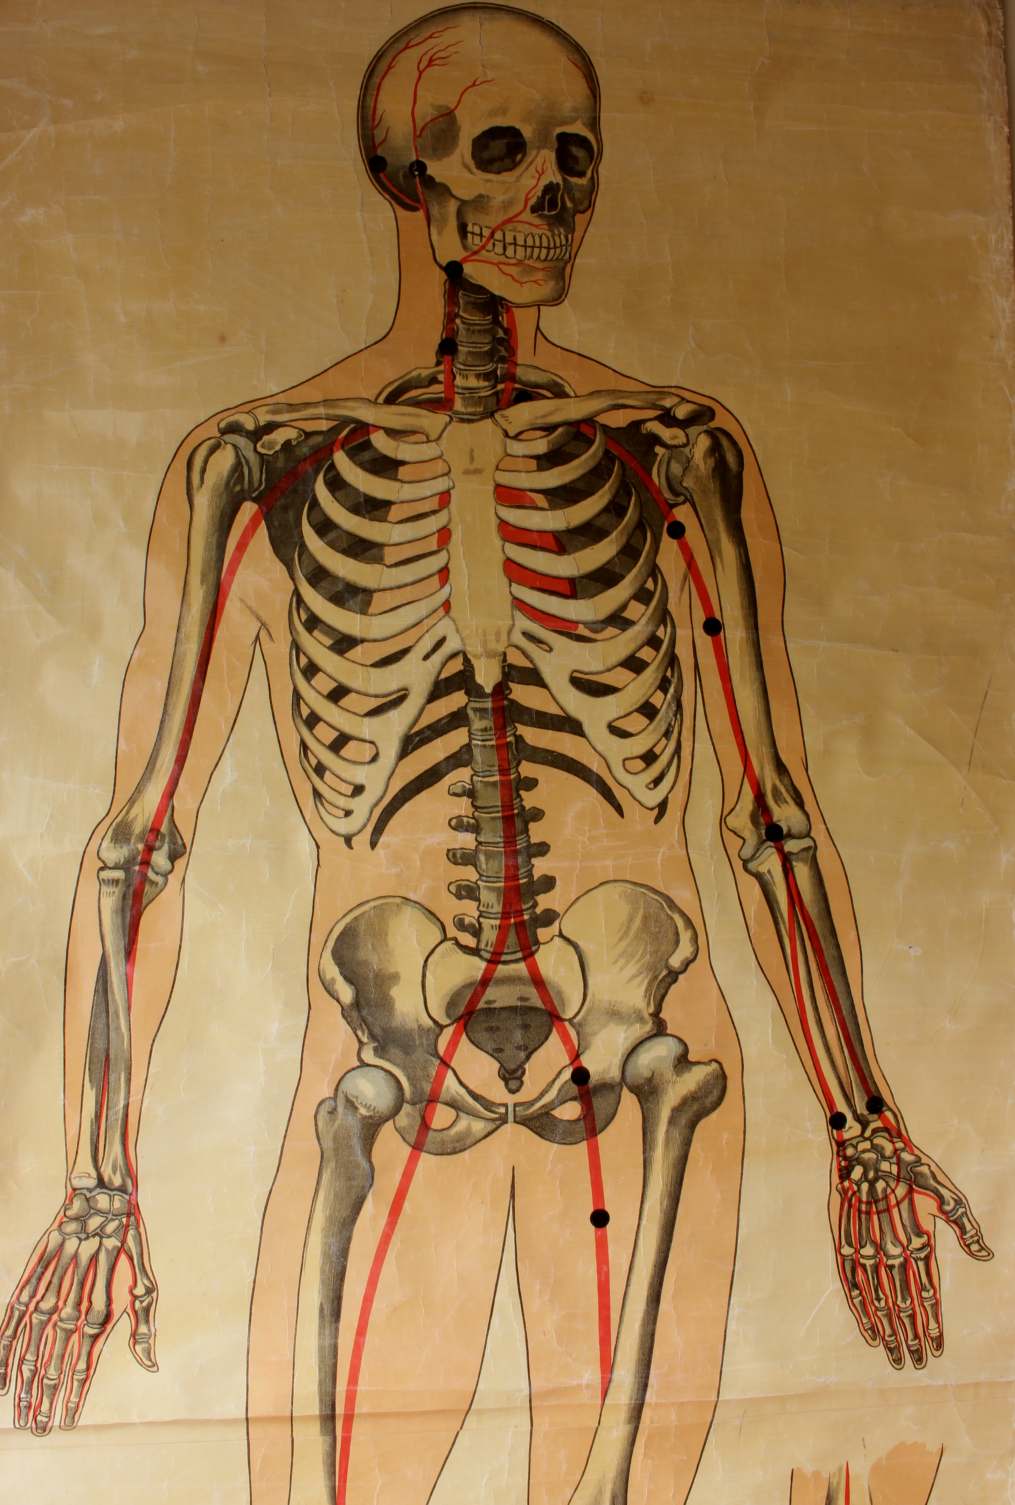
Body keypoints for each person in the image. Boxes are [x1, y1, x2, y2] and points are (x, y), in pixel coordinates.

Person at [0, 8, 990, 1505]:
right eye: (505, 153)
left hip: (649, 1055)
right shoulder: (256, 463)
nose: (553, 199)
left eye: (576, 160)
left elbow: (772, 811)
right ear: (407, 171)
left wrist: (866, 1127)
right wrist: (95, 1181)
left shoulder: (675, 449)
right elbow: (145, 837)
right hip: (380, 1070)